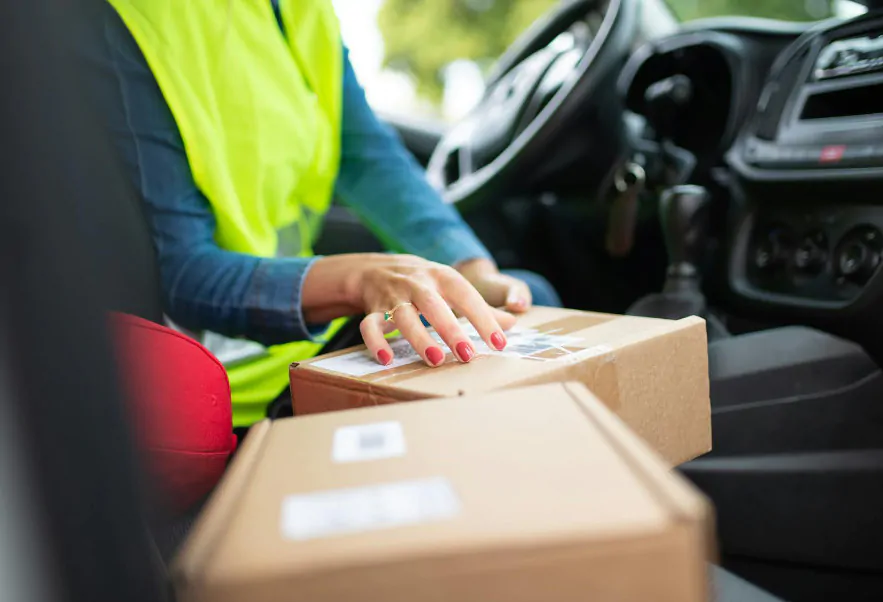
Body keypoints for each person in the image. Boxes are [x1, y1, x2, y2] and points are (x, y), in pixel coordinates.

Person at [80, 0, 561, 427]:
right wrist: (360, 280)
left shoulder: (301, 9)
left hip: (308, 337)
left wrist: (471, 271)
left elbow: (366, 155)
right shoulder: (134, 21)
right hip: (229, 377)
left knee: (525, 297)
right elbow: (182, 274)